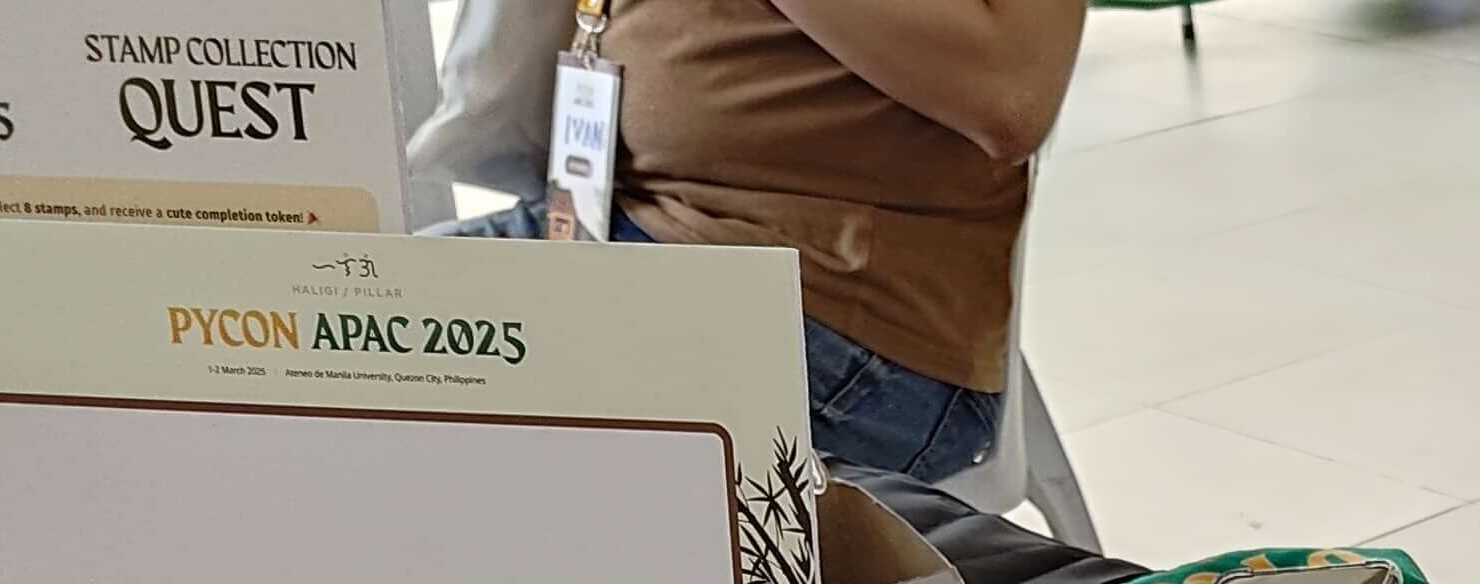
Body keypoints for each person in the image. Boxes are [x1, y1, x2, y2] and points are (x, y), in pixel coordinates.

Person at [433, 0, 1089, 486]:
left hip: (828, 313)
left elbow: (1013, 96)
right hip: (614, 227)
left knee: (412, 427)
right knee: (345, 323)